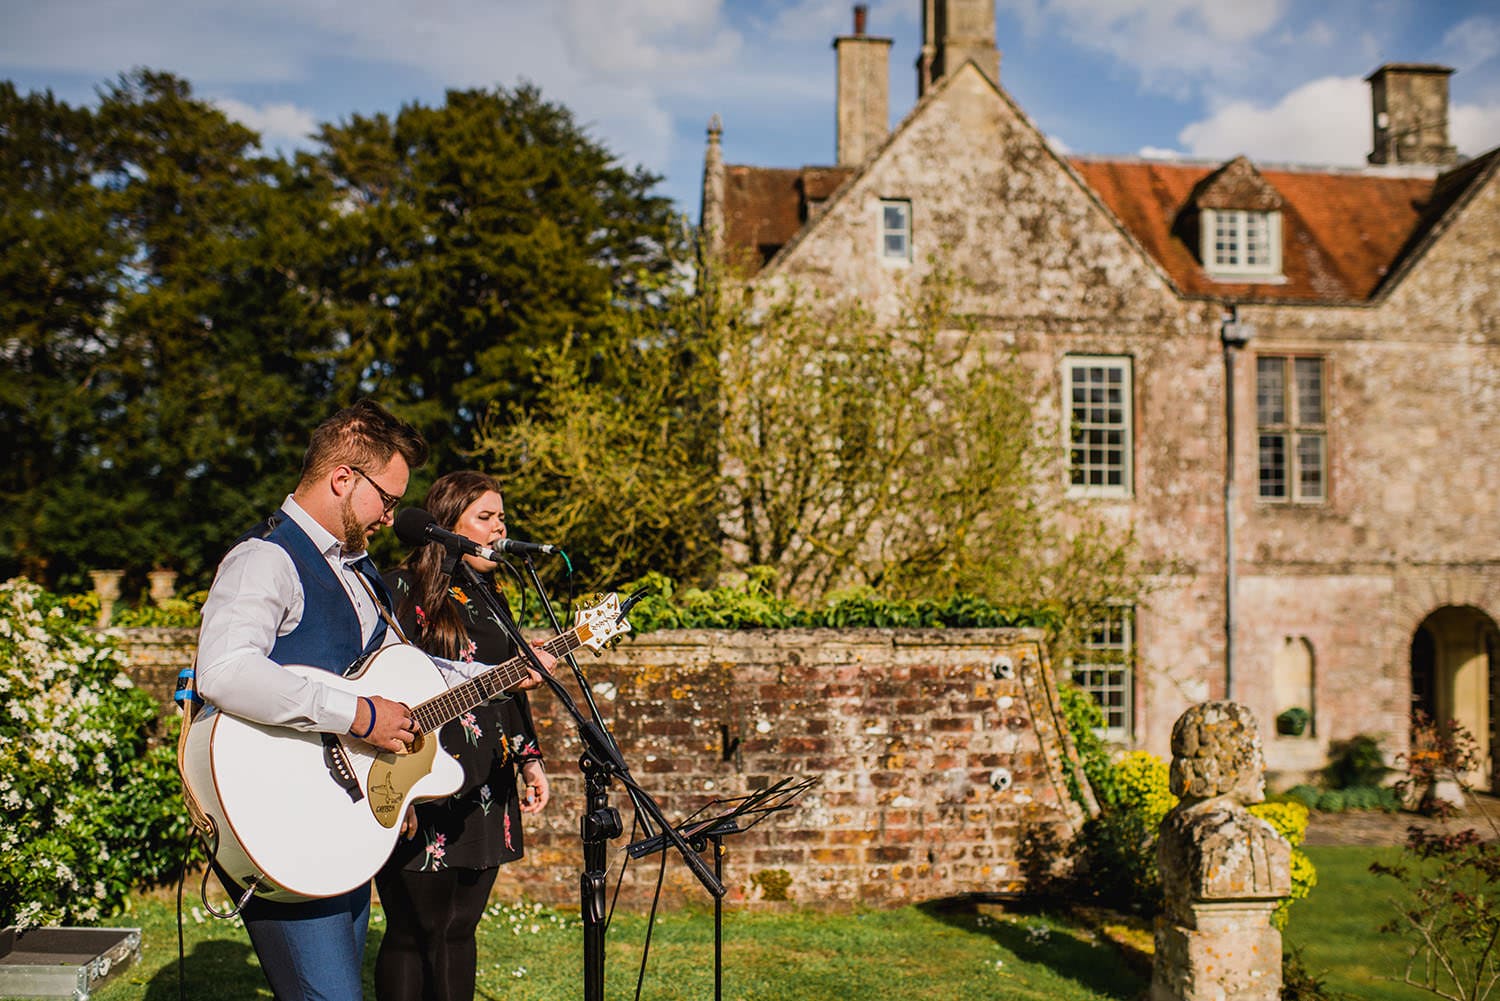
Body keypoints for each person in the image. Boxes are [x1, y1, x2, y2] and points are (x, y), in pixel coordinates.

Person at [194, 401, 548, 1001]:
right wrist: (359, 715)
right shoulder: (265, 560)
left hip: (347, 814)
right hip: (281, 821)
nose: (391, 517)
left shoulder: (360, 575)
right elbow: (225, 672)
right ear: (342, 478)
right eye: (387, 498)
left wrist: (502, 673)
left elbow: (407, 669)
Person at [374, 470, 550, 1001]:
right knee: (411, 932)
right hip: (415, 777)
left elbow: (507, 685)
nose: (499, 528)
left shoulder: (492, 596)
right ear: (448, 525)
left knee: (459, 930)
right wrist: (384, 782)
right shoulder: (397, 587)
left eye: (502, 517)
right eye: (486, 517)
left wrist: (529, 759)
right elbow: (372, 679)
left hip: (486, 785)